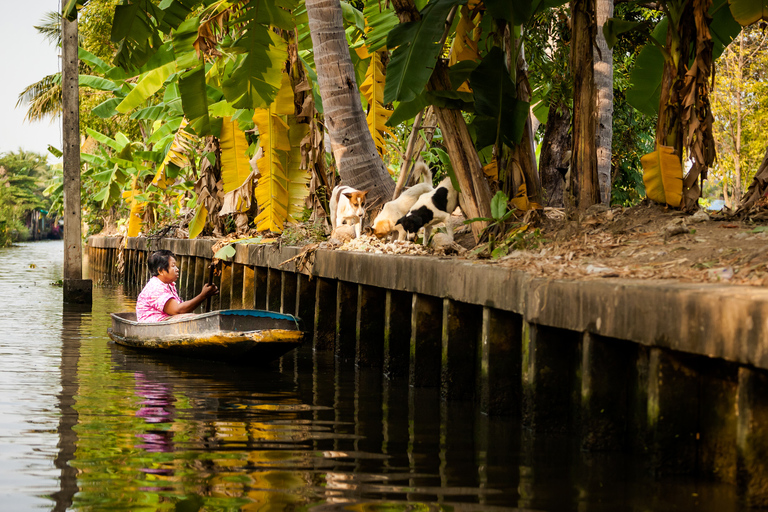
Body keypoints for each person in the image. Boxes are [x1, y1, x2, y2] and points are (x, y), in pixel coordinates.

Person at [136, 250, 218, 322]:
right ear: (161, 271)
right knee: (194, 318)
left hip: (165, 319)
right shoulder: (155, 287)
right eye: (173, 266)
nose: (177, 269)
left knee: (194, 317)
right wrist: (203, 296)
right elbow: (178, 310)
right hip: (154, 323)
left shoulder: (168, 284)